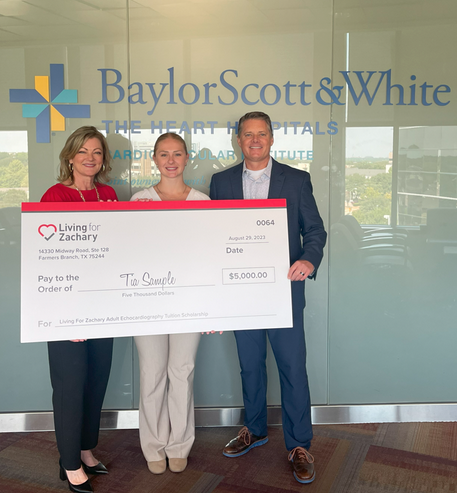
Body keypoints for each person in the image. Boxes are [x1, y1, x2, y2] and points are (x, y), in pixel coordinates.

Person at [209, 111, 326, 485]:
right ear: (238, 140)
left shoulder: (297, 180)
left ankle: (299, 444)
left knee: (292, 368)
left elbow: (315, 231)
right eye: (248, 134)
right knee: (250, 365)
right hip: (241, 292)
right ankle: (255, 429)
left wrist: (308, 259)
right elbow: (212, 236)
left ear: (272, 139)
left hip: (283, 292)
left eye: (262, 134)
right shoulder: (222, 182)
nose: (255, 140)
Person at [41, 126, 117, 493]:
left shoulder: (109, 195)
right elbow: (45, 259)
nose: (90, 158)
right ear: (70, 157)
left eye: (97, 152)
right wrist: (63, 316)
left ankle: (86, 449)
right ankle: (69, 463)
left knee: (96, 381)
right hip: (66, 309)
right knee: (70, 386)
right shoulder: (55, 195)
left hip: (103, 305)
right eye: (83, 151)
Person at [130, 132, 209, 475]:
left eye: (177, 154)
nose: (171, 161)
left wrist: (213, 306)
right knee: (152, 373)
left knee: (182, 371)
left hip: (189, 301)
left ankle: (179, 445)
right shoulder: (139, 200)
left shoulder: (203, 201)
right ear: (154, 159)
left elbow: (209, 256)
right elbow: (129, 252)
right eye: (164, 154)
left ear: (187, 158)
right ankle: (153, 446)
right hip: (147, 301)